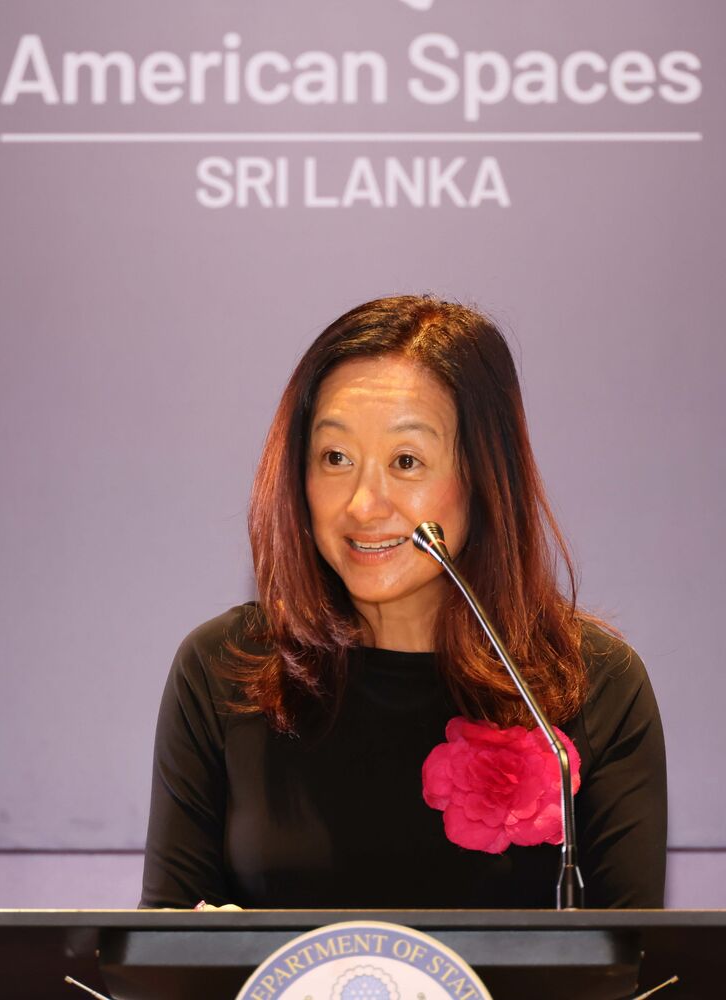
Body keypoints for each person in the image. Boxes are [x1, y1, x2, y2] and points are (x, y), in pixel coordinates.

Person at [140, 295, 666, 910]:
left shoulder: (592, 682)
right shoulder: (224, 669)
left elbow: (636, 956)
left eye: (407, 461)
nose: (364, 504)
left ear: (484, 477)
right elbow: (161, 948)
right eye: (335, 458)